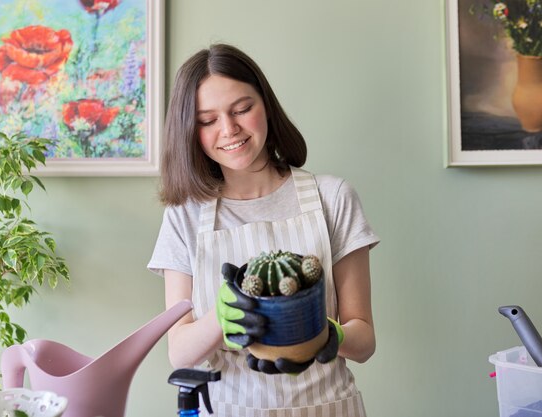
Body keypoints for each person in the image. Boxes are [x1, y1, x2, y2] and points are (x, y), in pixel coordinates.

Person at [148, 43, 380, 417]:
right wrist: (220, 319)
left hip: (328, 407)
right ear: (190, 130)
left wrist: (326, 334)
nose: (229, 129)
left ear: (266, 106)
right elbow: (179, 352)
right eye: (208, 120)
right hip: (228, 409)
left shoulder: (332, 197)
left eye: (242, 109)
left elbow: (365, 340)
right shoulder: (184, 217)